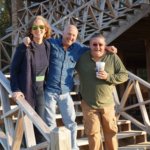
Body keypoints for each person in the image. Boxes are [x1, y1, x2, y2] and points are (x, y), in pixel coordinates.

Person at [23, 24, 117, 150]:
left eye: (74, 35)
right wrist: (27, 40)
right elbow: (38, 43)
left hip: (65, 92)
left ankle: (73, 147)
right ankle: (53, 147)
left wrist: (107, 47)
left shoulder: (78, 48)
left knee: (71, 123)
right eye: (69, 34)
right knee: (50, 123)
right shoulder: (51, 43)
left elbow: (94, 48)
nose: (71, 37)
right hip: (50, 91)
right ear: (63, 33)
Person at [76, 34, 128, 150]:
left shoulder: (112, 57)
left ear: (105, 46)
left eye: (101, 44)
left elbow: (124, 75)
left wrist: (108, 77)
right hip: (88, 103)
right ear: (89, 45)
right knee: (93, 135)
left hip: (108, 103)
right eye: (94, 44)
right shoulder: (82, 58)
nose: (97, 47)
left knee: (111, 133)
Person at [10, 15, 51, 121]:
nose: (38, 30)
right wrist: (16, 89)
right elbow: (14, 70)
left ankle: (40, 138)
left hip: (41, 91)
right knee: (26, 124)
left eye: (41, 27)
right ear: (31, 31)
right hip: (27, 91)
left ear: (45, 30)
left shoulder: (48, 46)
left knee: (40, 123)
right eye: (35, 27)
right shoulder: (24, 47)